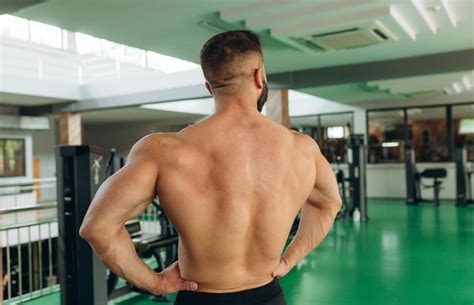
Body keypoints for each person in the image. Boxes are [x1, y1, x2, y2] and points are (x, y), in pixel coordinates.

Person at [80, 30, 341, 305]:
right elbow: (329, 205)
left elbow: (97, 227)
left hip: (201, 297)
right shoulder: (302, 149)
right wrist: (289, 259)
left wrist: (155, 283)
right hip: (269, 296)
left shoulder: (164, 151)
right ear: (259, 75)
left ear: (208, 85)